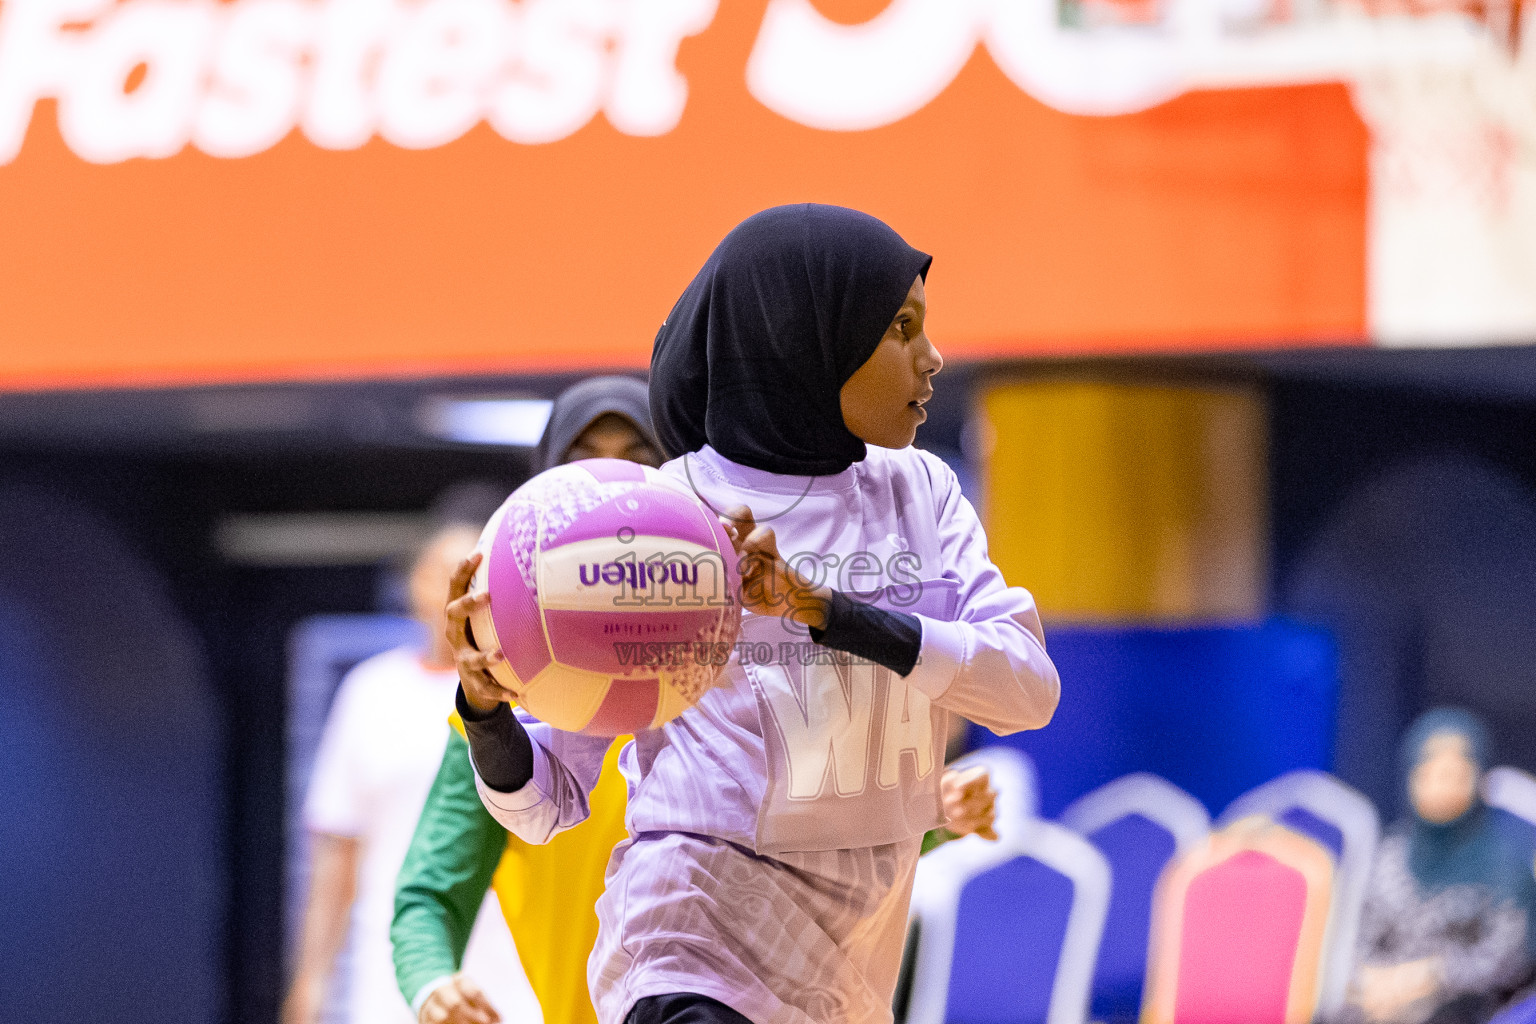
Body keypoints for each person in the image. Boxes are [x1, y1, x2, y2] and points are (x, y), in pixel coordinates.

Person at [446, 203, 1060, 1024]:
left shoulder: (925, 491)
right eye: (901, 328)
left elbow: (1028, 693)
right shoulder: (667, 514)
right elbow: (547, 800)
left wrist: (829, 611)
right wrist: (485, 708)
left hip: (848, 970)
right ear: (808, 340)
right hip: (690, 950)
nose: (933, 357)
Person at [393, 376, 1003, 1024]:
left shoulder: (744, 665)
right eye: (583, 460)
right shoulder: (496, 719)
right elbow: (429, 892)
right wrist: (433, 983)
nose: (613, 476)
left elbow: (814, 824)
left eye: (637, 457)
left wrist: (933, 813)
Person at [284, 525, 526, 1024]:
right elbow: (338, 851)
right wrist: (311, 983)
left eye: (474, 578)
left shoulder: (527, 698)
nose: (454, 593)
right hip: (399, 974)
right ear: (414, 580)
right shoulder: (371, 692)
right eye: (442, 574)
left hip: (513, 977)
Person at [1345, 708, 1536, 1024]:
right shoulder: (1390, 855)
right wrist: (1380, 984)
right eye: (1429, 775)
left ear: (1477, 779)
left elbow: (1510, 962)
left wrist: (1432, 976)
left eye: (1454, 776)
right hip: (1384, 1006)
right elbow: (1360, 942)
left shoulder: (1507, 859)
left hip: (1470, 1010)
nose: (1441, 788)